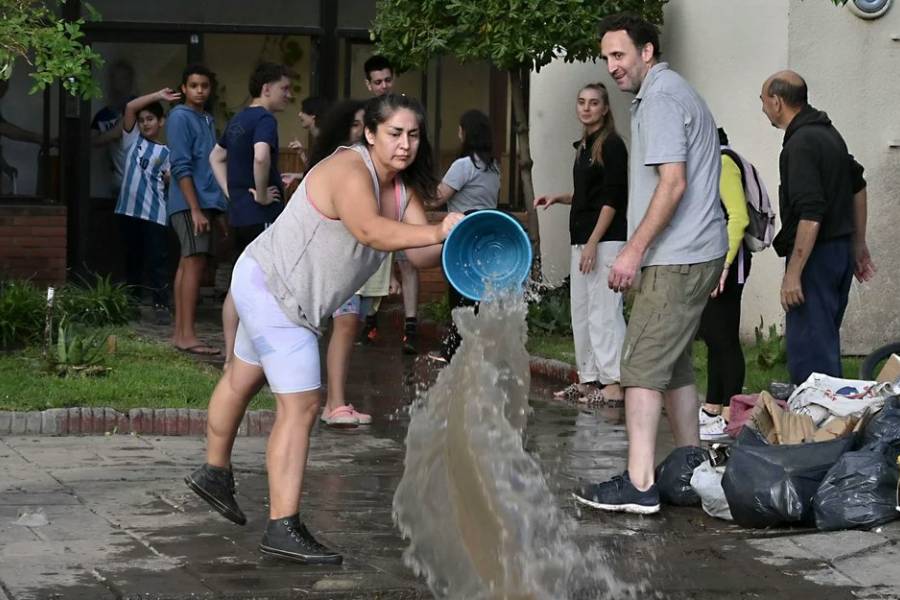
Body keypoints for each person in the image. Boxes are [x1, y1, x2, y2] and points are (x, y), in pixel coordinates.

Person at [184, 93, 463, 564]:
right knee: (304, 405)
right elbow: (371, 231)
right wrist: (436, 231)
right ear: (370, 133)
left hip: (277, 289)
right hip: (274, 289)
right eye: (395, 133)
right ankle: (282, 526)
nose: (405, 144)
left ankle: (213, 473)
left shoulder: (402, 189)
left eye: (414, 135)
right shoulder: (348, 170)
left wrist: (460, 235)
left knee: (244, 376)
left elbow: (418, 254)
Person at [573, 14, 727, 515]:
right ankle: (690, 471)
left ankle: (640, 484)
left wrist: (633, 250)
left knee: (639, 367)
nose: (612, 66)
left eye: (620, 55)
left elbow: (673, 183)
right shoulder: (668, 91)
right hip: (694, 250)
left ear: (647, 52)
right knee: (674, 363)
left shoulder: (660, 97)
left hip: (677, 256)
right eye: (607, 57)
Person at [760, 70, 875, 385]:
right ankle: (828, 423)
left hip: (817, 256)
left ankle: (818, 429)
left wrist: (794, 273)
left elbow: (811, 213)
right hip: (838, 252)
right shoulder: (829, 133)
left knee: (811, 356)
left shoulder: (801, 144)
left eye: (763, 100)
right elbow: (858, 186)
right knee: (823, 344)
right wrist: (858, 244)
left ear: (777, 101)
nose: (762, 107)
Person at [533, 83, 628, 406]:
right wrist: (560, 197)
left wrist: (593, 242)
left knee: (605, 312)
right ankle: (589, 380)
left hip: (604, 241)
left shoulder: (612, 145)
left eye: (594, 103)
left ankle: (614, 382)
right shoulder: (585, 145)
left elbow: (613, 198)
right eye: (582, 102)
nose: (587, 108)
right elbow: (590, 195)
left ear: (605, 108)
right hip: (584, 240)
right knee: (583, 313)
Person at [210, 63, 292, 368]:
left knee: (239, 282)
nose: (289, 94)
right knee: (268, 284)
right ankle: (261, 356)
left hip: (241, 216)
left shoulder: (238, 119)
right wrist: (258, 193)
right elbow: (261, 156)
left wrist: (233, 192)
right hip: (263, 215)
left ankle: (231, 356)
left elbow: (215, 157)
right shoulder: (264, 119)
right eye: (284, 88)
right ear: (266, 88)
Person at [307, 99, 374, 427]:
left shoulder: (364, 166)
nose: (362, 132)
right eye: (355, 125)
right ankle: (326, 402)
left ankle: (334, 401)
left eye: (366, 125)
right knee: (335, 326)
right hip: (329, 260)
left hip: (350, 261)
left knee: (348, 325)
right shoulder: (337, 165)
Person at [426, 109, 501, 364]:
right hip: (486, 236)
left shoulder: (464, 165)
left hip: (462, 234)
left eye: (460, 129)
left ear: (466, 133)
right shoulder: (493, 167)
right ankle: (477, 349)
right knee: (480, 293)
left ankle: (453, 350)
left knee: (459, 293)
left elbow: (437, 198)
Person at [359, 55, 420, 354]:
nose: (383, 86)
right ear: (368, 84)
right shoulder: (365, 117)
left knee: (409, 262)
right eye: (378, 81)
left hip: (399, 195)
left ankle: (411, 328)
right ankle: (368, 320)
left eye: (387, 80)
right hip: (373, 202)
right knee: (369, 259)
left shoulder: (405, 110)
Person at [167, 64, 228, 356]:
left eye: (204, 85)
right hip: (190, 203)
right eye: (193, 85)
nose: (200, 90)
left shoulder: (205, 118)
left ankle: (181, 333)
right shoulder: (180, 116)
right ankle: (187, 335)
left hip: (205, 202)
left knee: (188, 262)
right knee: (193, 264)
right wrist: (195, 208)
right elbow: (181, 165)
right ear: (183, 89)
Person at [696, 127, 753, 441]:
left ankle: (732, 416)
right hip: (716, 261)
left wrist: (724, 265)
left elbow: (738, 217)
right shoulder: (712, 164)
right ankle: (712, 408)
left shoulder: (723, 163)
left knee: (725, 337)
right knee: (715, 336)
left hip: (728, 263)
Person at [114, 87, 181, 324]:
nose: (144, 124)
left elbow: (173, 180)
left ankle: (161, 305)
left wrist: (169, 179)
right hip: (128, 212)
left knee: (157, 262)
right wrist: (158, 96)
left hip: (155, 214)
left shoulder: (167, 152)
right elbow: (130, 108)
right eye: (142, 120)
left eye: (150, 119)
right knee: (132, 260)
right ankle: (131, 305)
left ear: (161, 122)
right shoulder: (131, 141)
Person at [91, 60, 135, 196]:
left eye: (123, 78)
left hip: (138, 182)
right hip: (117, 182)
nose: (119, 84)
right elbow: (91, 141)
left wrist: (109, 135)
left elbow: (117, 133)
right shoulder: (103, 115)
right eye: (116, 78)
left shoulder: (138, 107)